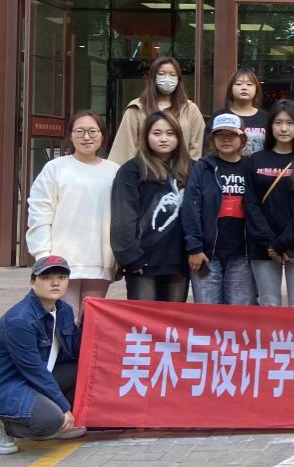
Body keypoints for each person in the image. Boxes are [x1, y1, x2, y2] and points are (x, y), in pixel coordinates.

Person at [0, 256, 86, 455]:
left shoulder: (64, 311)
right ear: (32, 282)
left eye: (62, 277)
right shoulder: (20, 320)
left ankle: (56, 422)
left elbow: (75, 352)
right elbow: (33, 369)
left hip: (34, 379)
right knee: (51, 420)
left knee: (85, 371)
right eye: (47, 277)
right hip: (4, 385)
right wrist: (64, 408)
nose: (55, 283)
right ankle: (3, 425)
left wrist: (87, 318)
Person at [25, 110, 120, 320]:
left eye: (93, 131)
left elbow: (121, 217)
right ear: (70, 135)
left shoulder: (114, 171)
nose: (87, 137)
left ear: (102, 135)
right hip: (61, 260)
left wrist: (118, 258)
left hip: (100, 259)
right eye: (80, 131)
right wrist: (43, 254)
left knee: (90, 321)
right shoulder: (55, 168)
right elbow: (40, 211)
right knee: (65, 319)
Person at [244, 100, 294, 307]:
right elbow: (251, 205)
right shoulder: (255, 160)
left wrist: (282, 242)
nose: (284, 128)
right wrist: (271, 242)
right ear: (270, 126)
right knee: (269, 305)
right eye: (278, 123)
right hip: (263, 245)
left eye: (290, 123)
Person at [110, 110, 193, 302]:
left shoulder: (192, 168)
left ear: (179, 137)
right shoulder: (132, 170)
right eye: (157, 133)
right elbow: (123, 217)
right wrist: (130, 257)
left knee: (172, 318)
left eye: (170, 133)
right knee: (143, 319)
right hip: (143, 262)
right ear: (146, 136)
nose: (163, 139)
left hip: (179, 261)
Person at [183, 113, 257, 305]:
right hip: (207, 254)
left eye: (231, 135)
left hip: (242, 253)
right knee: (207, 314)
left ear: (242, 138)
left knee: (239, 313)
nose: (226, 139)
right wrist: (194, 247)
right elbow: (191, 208)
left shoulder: (251, 167)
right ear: (212, 139)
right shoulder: (202, 167)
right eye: (220, 135)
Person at [109, 56, 206, 165]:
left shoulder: (190, 109)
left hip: (181, 171)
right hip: (144, 170)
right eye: (162, 74)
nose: (167, 79)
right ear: (153, 77)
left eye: (173, 75)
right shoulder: (137, 108)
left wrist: (192, 171)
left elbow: (198, 147)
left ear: (179, 79)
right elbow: (124, 147)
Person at [204, 69, 269, 156]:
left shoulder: (265, 118)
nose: (244, 88)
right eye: (238, 84)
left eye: (249, 84)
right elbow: (207, 149)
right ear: (231, 89)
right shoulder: (219, 117)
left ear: (256, 89)